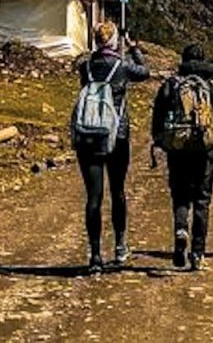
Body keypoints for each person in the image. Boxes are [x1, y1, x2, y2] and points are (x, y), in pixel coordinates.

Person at [73, 20, 149, 271]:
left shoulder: (86, 67)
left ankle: (94, 255)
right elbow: (144, 72)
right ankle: (120, 247)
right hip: (118, 135)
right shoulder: (122, 66)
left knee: (93, 196)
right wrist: (134, 48)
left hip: (89, 135)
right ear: (115, 40)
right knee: (118, 191)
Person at [151, 43, 213, 271]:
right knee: (202, 199)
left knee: (180, 195)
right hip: (206, 150)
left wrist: (162, 141)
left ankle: (180, 230)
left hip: (178, 148)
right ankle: (198, 253)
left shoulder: (171, 85)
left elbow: (157, 118)